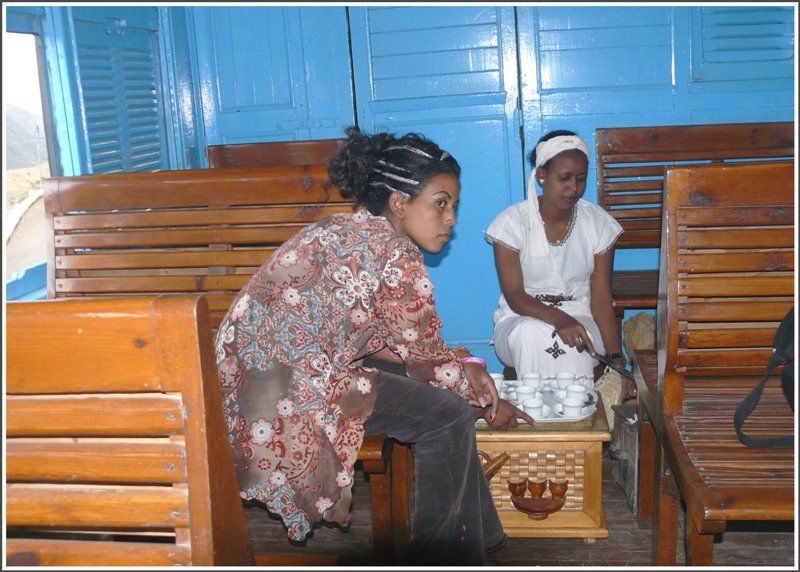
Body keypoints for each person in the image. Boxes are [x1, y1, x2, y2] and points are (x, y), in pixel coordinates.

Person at [215, 126, 533, 565]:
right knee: (447, 416)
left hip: (243, 382)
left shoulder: (344, 228)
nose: (452, 220)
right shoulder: (395, 254)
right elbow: (423, 362)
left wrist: (465, 365)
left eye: (453, 206)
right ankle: (440, 558)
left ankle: (484, 540)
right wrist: (480, 391)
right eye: (440, 204)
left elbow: (395, 346)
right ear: (400, 203)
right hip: (286, 397)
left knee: (443, 393)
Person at [485, 129, 631, 391]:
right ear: (542, 175)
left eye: (581, 179)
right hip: (519, 319)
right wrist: (558, 319)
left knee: (575, 339)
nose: (573, 188)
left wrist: (615, 357)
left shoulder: (598, 224)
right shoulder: (511, 224)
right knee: (532, 334)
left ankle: (576, 423)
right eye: (564, 178)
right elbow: (515, 295)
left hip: (579, 316)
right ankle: (538, 421)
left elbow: (600, 298)